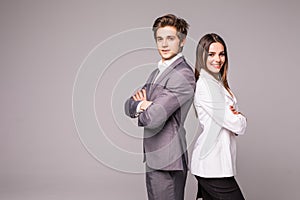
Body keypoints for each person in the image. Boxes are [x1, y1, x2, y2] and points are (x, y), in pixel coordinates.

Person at [124, 14, 195, 200]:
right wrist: (142, 105)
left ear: (182, 41)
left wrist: (147, 108)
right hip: (156, 156)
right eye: (159, 39)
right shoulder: (156, 72)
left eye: (170, 38)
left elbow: (154, 118)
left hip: (168, 159)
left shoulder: (183, 75)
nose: (164, 44)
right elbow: (128, 105)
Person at [191, 33, 247, 200]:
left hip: (217, 165)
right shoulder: (206, 86)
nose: (218, 59)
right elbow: (236, 124)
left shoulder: (217, 84)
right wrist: (240, 118)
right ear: (202, 56)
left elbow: (231, 122)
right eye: (211, 54)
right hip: (211, 167)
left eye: (221, 54)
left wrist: (234, 119)